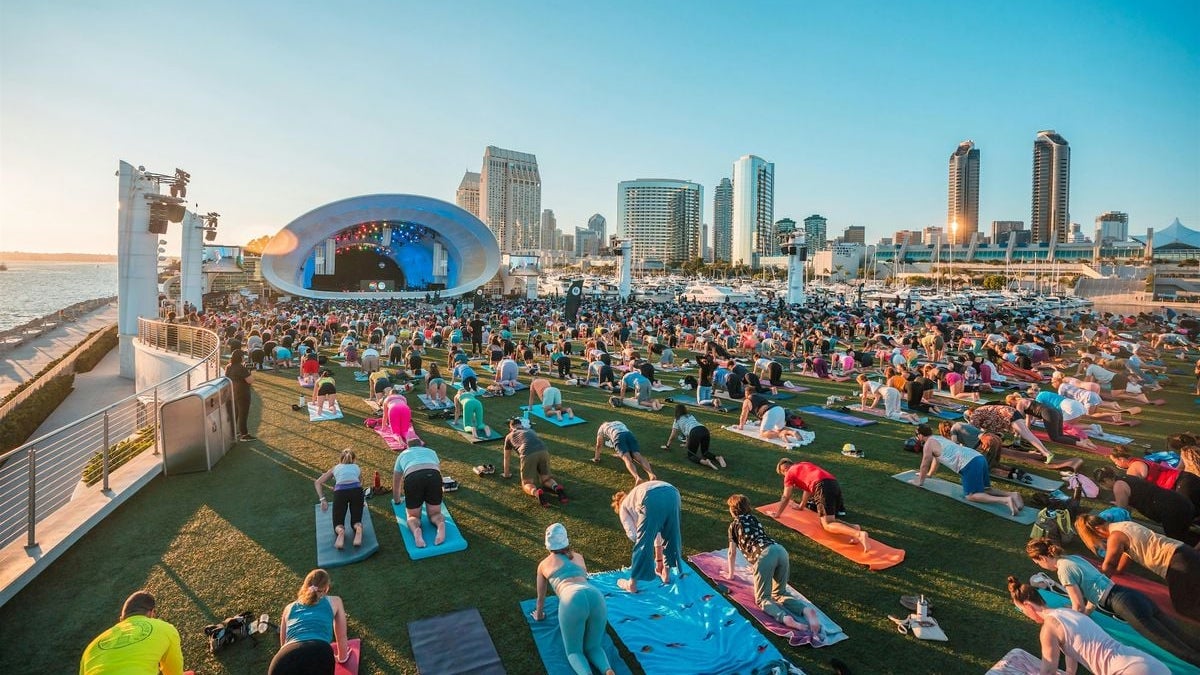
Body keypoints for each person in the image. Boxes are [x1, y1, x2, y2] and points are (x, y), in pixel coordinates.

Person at [1024, 537, 1200, 664]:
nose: (1040, 566)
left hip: (1124, 604)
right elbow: (1096, 587)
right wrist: (1086, 611)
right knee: (1181, 636)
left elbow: (1077, 605)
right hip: (1131, 595)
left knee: (1174, 647)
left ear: (1041, 558)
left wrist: (1066, 621)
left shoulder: (1063, 570)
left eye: (1037, 563)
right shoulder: (1073, 558)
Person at [1006, 575, 1170, 675]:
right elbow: (1072, 648)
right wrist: (1069, 673)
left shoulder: (1048, 629)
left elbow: (1048, 671)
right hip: (1148, 663)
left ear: (1028, 605)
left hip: (1126, 670)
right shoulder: (1069, 612)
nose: (1025, 614)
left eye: (1022, 610)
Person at [724, 494, 824, 640]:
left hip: (764, 556)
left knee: (763, 599)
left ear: (733, 511)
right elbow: (757, 538)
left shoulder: (733, 525)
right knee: (780, 592)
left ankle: (784, 618)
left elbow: (732, 552)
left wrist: (730, 574)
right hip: (779, 550)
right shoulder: (755, 519)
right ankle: (806, 611)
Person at [1075, 515, 1200, 622]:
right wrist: (1118, 571)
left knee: (1184, 606)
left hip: (1177, 563)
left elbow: (1106, 571)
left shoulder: (1115, 537)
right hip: (1185, 552)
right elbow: (1127, 554)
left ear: (1097, 529)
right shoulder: (1124, 525)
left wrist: (1088, 608)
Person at [531, 523, 615, 675]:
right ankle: (608, 670)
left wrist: (539, 614)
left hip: (571, 599)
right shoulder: (579, 557)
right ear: (566, 541)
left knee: (574, 652)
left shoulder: (543, 565)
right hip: (595, 595)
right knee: (594, 647)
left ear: (548, 544)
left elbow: (540, 597)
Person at [912, 424, 1025, 516]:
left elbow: (924, 464)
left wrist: (920, 482)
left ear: (920, 435)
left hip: (969, 463)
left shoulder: (928, 444)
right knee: (985, 489)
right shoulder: (938, 438)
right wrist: (930, 474)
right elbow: (936, 460)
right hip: (978, 457)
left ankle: (1006, 500)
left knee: (971, 495)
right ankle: (1013, 494)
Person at [771, 458, 871, 551]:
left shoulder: (789, 473)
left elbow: (786, 497)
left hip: (822, 487)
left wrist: (777, 513)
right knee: (829, 519)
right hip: (833, 483)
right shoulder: (804, 464)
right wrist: (801, 506)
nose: (784, 475)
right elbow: (808, 489)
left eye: (782, 473)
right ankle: (854, 527)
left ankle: (859, 534)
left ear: (785, 469)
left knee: (827, 524)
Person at [80, 590, 184, 675]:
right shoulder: (165, 628)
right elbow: (174, 672)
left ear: (121, 619)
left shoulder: (91, 647)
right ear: (151, 613)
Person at [269, 569, 351, 674]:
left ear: (304, 587)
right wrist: (342, 658)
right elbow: (341, 636)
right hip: (319, 652)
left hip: (281, 660)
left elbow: (284, 643)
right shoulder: (335, 601)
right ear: (326, 588)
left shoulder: (289, 608)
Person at [1092, 467, 1197, 546]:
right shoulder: (1127, 477)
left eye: (1102, 485)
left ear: (1105, 481)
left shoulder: (1118, 486)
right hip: (1180, 502)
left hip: (1171, 509)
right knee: (1183, 534)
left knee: (1177, 542)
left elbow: (1121, 512)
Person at [611, 480, 682, 593]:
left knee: (643, 542)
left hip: (650, 496)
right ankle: (666, 574)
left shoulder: (623, 507)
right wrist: (658, 561)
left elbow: (633, 535)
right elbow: (659, 532)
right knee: (670, 535)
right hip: (673, 493)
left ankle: (632, 584)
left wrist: (646, 537)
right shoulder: (634, 498)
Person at [503, 418, 568, 506]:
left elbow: (507, 458)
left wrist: (506, 474)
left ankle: (537, 493)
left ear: (511, 429)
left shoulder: (509, 436)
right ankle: (557, 488)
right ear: (521, 425)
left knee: (527, 483)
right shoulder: (530, 431)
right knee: (546, 479)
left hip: (527, 453)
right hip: (543, 451)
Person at [392, 445, 446, 548]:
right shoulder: (431, 451)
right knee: (435, 513)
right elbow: (438, 471)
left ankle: (416, 531)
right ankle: (440, 525)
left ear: (408, 446)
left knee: (413, 516)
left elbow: (397, 480)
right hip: (433, 476)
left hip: (413, 477)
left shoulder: (402, 454)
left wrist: (397, 500)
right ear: (421, 445)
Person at [1006, 392, 1100, 451]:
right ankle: (1082, 440)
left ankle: (1081, 443)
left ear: (1012, 401)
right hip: (1055, 412)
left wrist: (1016, 431)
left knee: (1055, 437)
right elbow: (1028, 419)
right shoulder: (1027, 400)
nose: (1012, 406)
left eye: (1010, 404)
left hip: (1048, 413)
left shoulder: (1019, 403)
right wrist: (1027, 432)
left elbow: (1019, 418)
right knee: (1060, 435)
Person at [965, 403, 1054, 462]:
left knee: (1027, 435)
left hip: (1009, 415)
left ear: (969, 415)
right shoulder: (980, 412)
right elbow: (985, 428)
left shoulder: (975, 415)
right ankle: (1044, 452)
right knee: (1026, 434)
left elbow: (973, 431)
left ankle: (1047, 453)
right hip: (1012, 412)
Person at [315, 449, 365, 550]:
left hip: (340, 493)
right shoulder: (357, 467)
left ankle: (340, 531)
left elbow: (318, 482)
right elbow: (360, 483)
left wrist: (322, 499)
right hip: (357, 492)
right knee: (356, 521)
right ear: (354, 459)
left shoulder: (335, 468)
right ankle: (358, 528)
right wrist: (361, 501)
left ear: (340, 460)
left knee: (338, 523)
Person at [663, 404, 725, 470]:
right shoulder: (690, 416)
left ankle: (706, 462)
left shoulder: (677, 420)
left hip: (695, 432)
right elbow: (687, 433)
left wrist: (667, 446)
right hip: (704, 430)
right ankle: (718, 458)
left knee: (691, 455)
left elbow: (673, 435)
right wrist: (686, 444)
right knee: (705, 452)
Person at [737, 393, 806, 447]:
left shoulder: (747, 400)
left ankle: (780, 435)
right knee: (780, 428)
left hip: (770, 411)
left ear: (746, 394)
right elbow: (762, 411)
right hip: (779, 409)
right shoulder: (760, 398)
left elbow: (743, 415)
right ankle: (793, 432)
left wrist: (741, 426)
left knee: (763, 433)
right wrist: (761, 423)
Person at [856, 373, 921, 423]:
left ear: (861, 381)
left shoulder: (865, 384)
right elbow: (877, 398)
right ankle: (913, 415)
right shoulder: (873, 383)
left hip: (889, 392)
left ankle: (907, 416)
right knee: (897, 411)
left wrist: (863, 407)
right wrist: (871, 407)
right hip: (894, 391)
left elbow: (864, 397)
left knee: (889, 414)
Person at [225, 350, 255, 441]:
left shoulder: (228, 366)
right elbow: (250, 380)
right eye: (243, 356)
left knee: (234, 415)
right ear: (240, 357)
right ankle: (244, 434)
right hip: (242, 393)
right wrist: (250, 372)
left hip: (231, 393)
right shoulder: (240, 367)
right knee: (243, 414)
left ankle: (233, 434)